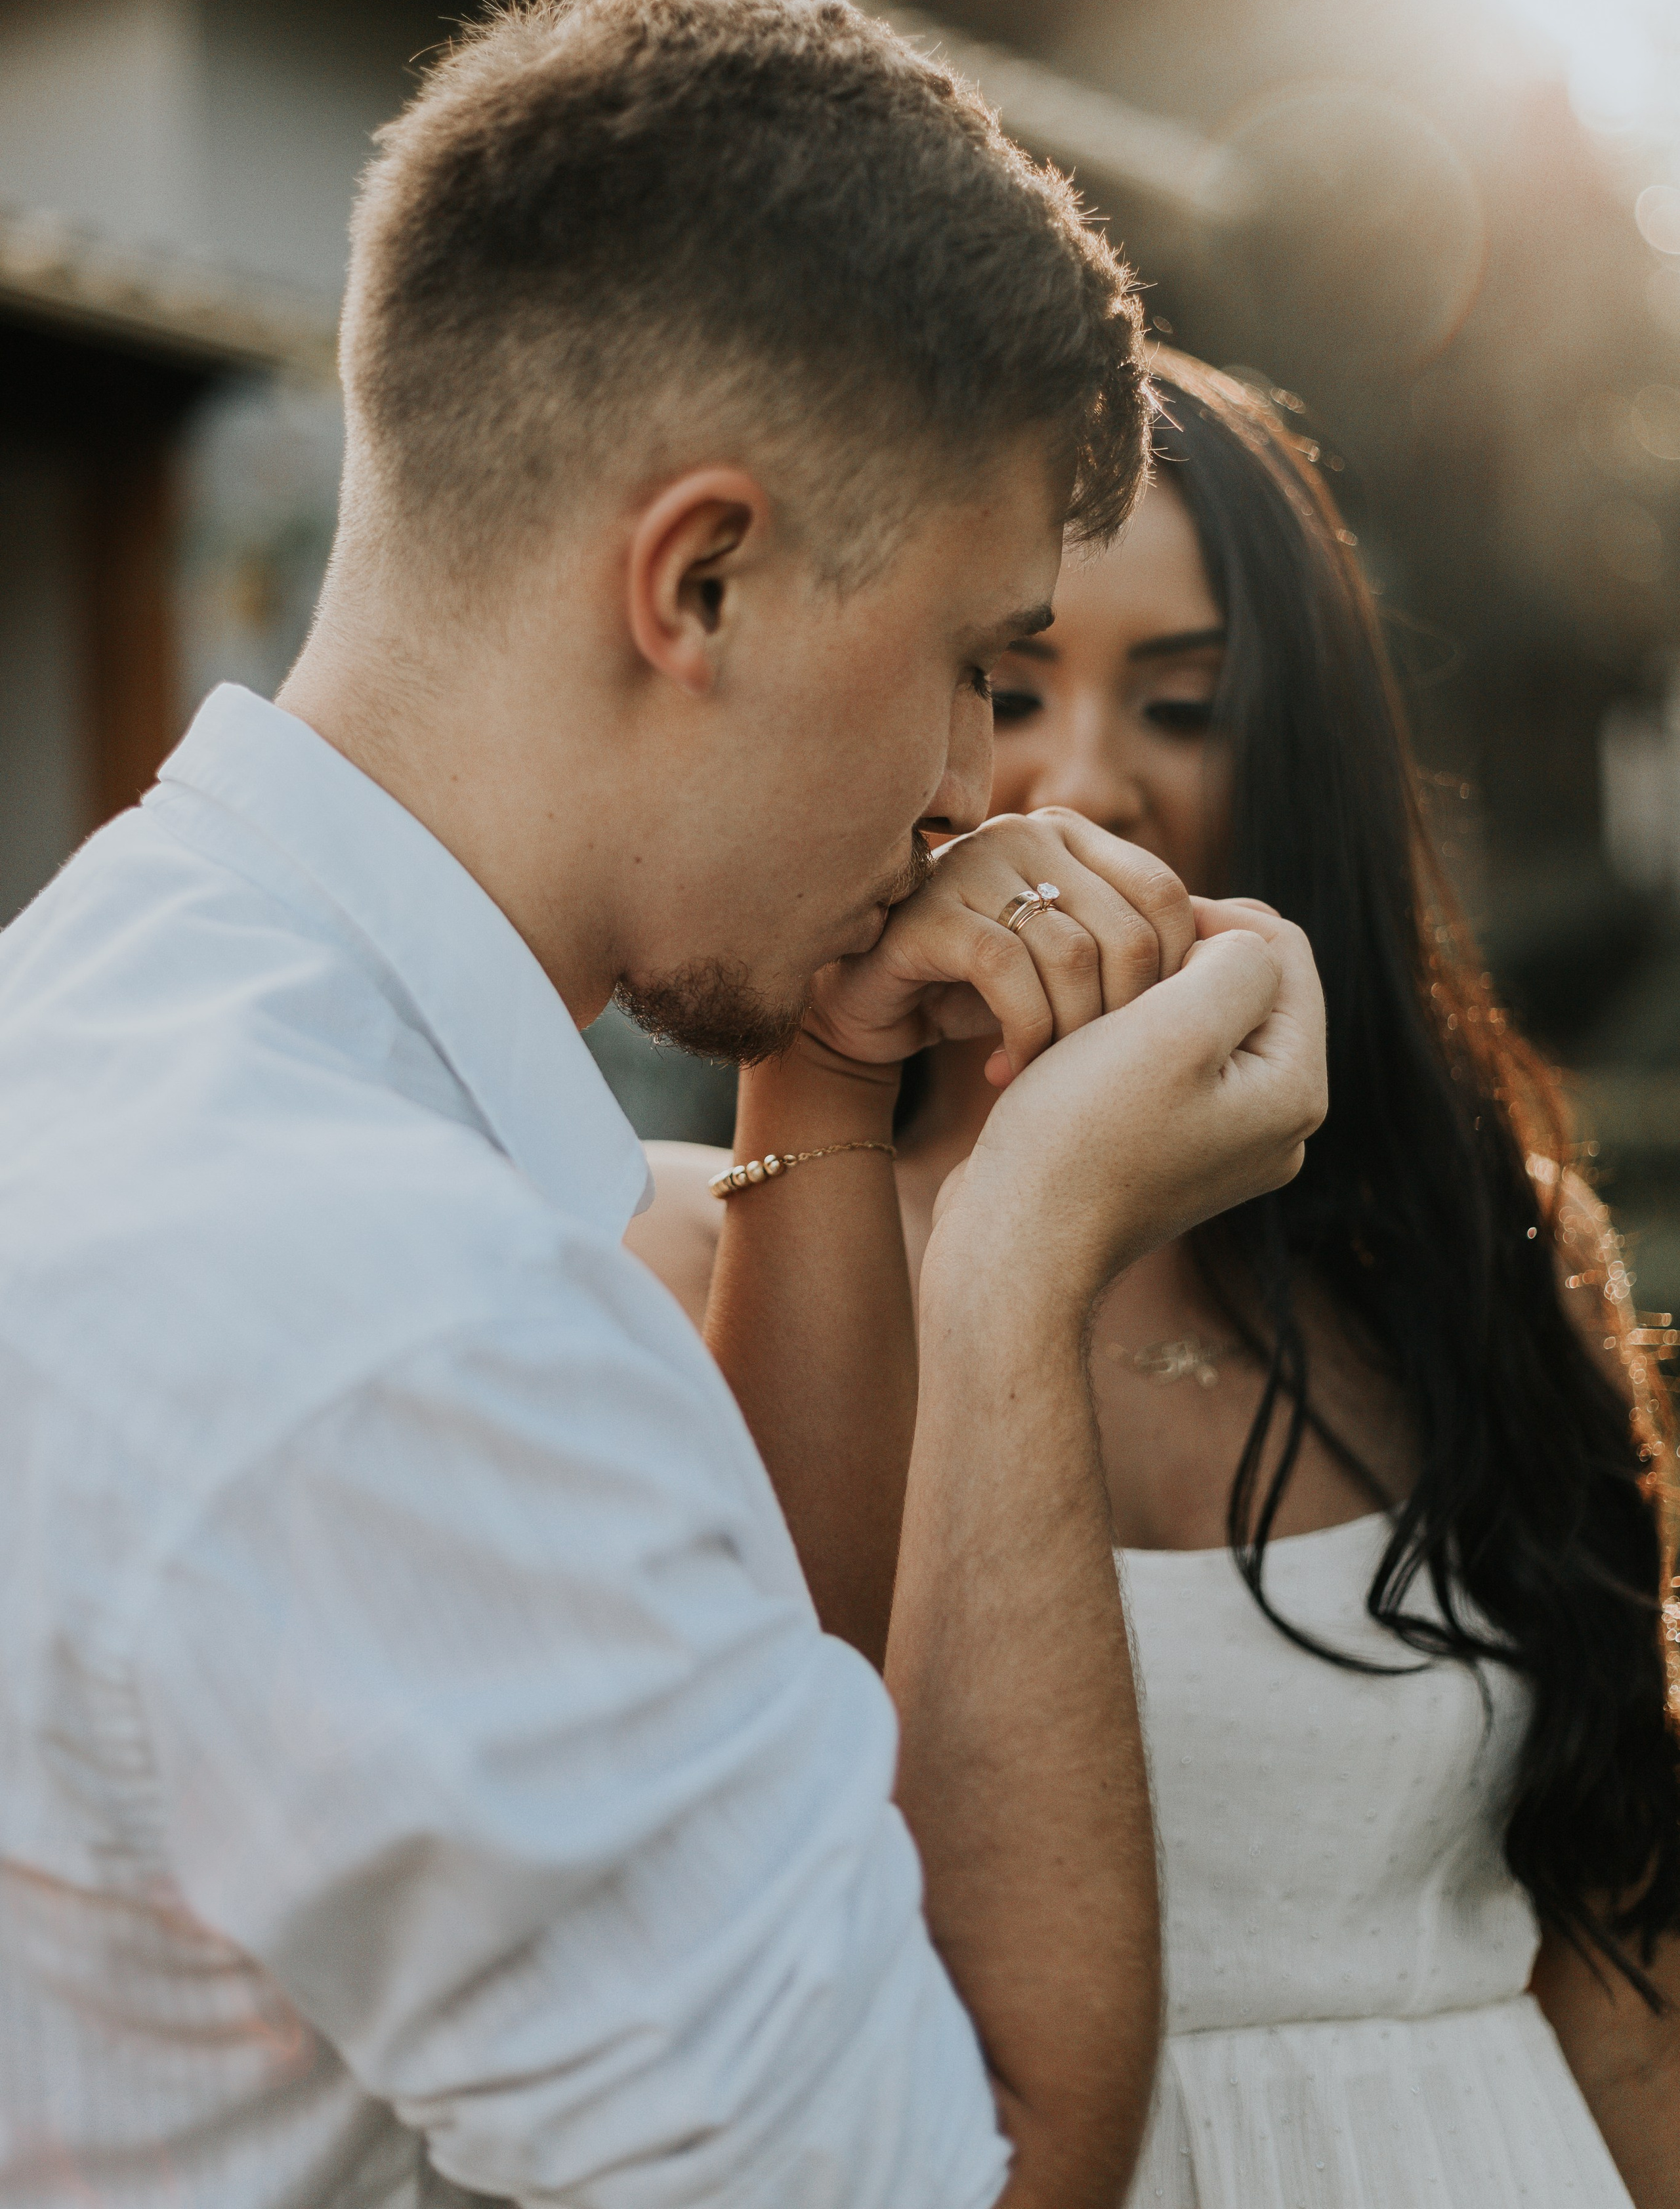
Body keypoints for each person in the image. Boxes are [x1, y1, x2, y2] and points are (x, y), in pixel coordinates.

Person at [0, 0, 1328, 2208]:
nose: (966, 787)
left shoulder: (119, 1025)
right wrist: (1016, 1263)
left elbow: (732, 1774)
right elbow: (981, 2171)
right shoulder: (402, 1321)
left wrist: (823, 1072)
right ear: (699, 578)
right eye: (976, 662)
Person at [633, 349, 1680, 2208]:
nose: (1087, 778)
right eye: (1009, 683)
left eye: (1182, 703)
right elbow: (781, 1891)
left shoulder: (1466, 1251)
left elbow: (1619, 1973)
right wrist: (848, 1092)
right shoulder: (699, 1257)